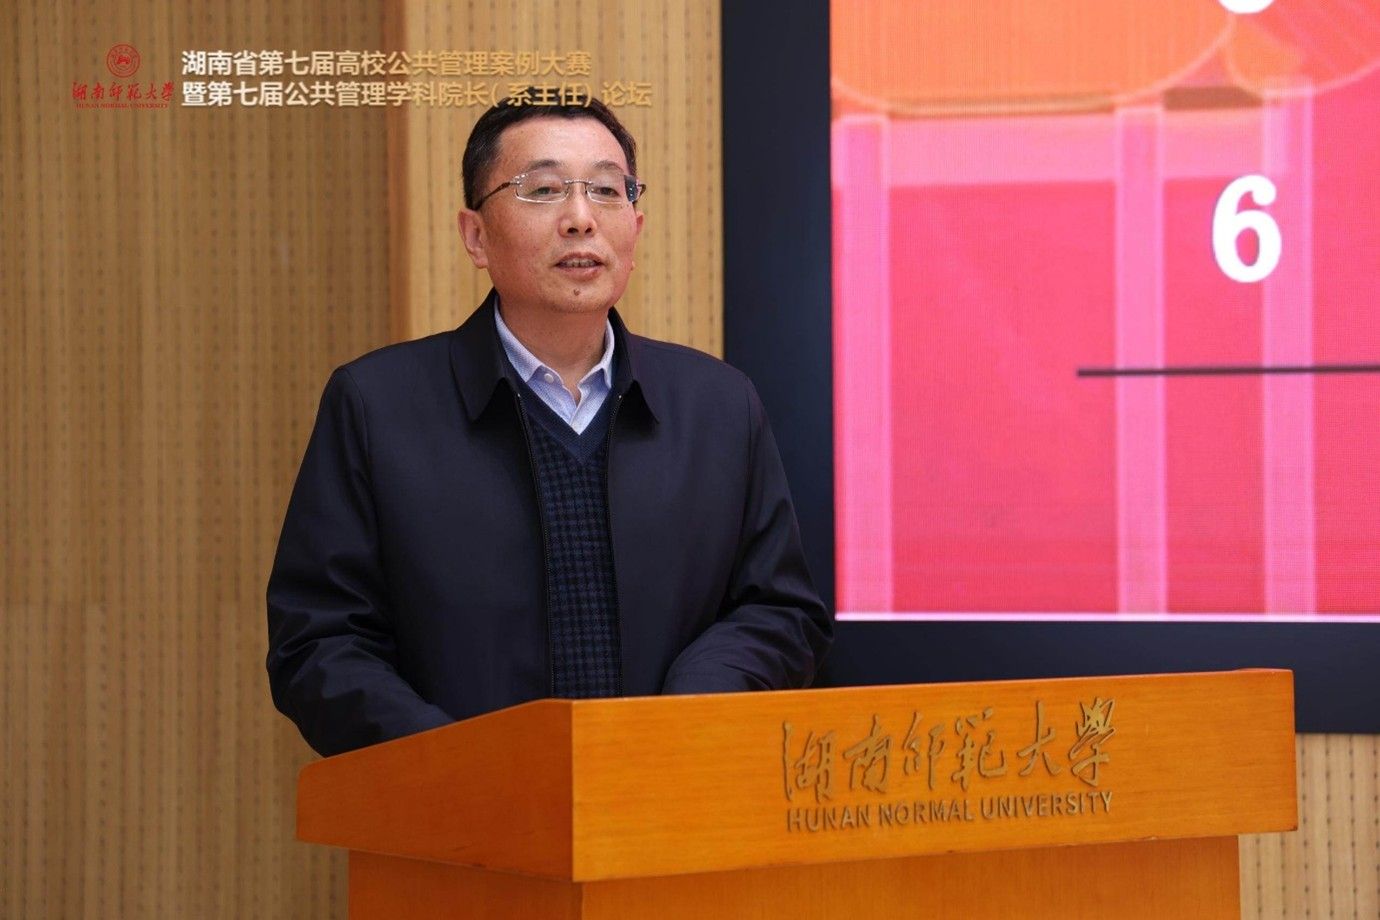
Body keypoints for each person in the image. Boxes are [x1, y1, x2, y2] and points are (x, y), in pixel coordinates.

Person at [266, 97, 831, 757]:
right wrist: (455, 762)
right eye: (542, 190)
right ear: (476, 236)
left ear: (636, 228)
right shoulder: (376, 406)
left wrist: (691, 711)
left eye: (606, 190)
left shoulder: (719, 405)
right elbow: (319, 642)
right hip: (463, 806)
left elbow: (781, 611)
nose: (581, 218)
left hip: (671, 792)